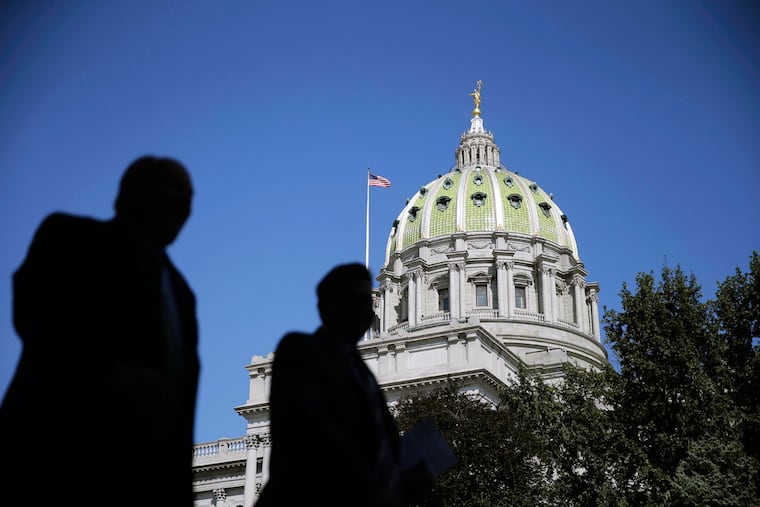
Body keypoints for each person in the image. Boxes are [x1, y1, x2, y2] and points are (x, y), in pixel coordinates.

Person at [0, 156, 200, 506]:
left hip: (139, 476)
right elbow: (36, 312)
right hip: (58, 449)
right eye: (173, 187)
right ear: (132, 193)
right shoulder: (72, 237)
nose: (183, 202)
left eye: (189, 195)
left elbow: (182, 399)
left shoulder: (182, 293)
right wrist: (113, 375)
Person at [255, 263, 433, 507]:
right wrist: (375, 484)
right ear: (327, 306)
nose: (364, 310)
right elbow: (312, 431)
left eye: (367, 302)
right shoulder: (300, 350)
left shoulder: (365, 375)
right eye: (354, 300)